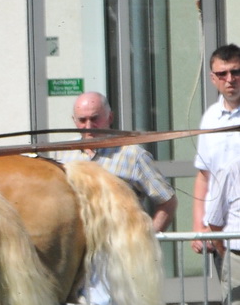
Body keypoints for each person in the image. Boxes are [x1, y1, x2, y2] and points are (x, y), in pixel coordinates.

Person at [58, 91, 176, 231]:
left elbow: (168, 201)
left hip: (120, 248)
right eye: (82, 120)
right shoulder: (64, 155)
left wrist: (150, 239)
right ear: (74, 121)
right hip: (79, 248)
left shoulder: (132, 154)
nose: (89, 126)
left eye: (95, 119)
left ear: (110, 117)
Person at [193, 45, 240, 256]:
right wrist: (198, 228)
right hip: (219, 235)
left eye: (236, 71)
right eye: (222, 74)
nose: (230, 79)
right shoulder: (210, 118)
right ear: (213, 79)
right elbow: (204, 176)